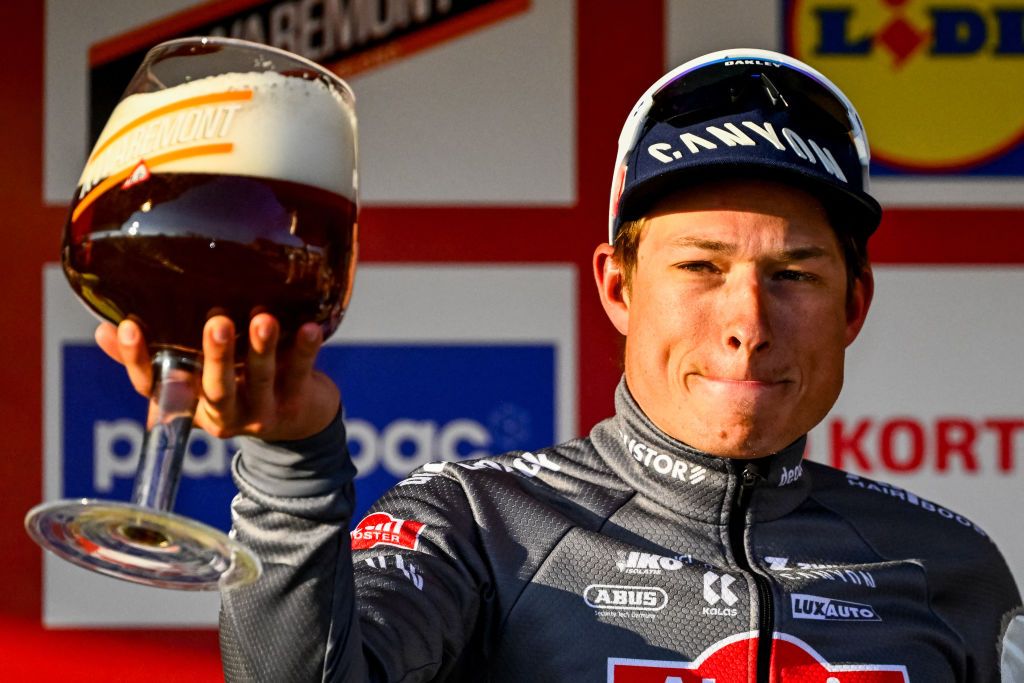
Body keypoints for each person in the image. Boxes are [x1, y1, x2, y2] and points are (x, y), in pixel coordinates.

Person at [98, 49, 1023, 682]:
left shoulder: (956, 567)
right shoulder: (477, 523)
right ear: (618, 287)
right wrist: (292, 467)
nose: (747, 321)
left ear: (855, 305)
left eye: (794, 275)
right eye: (699, 266)